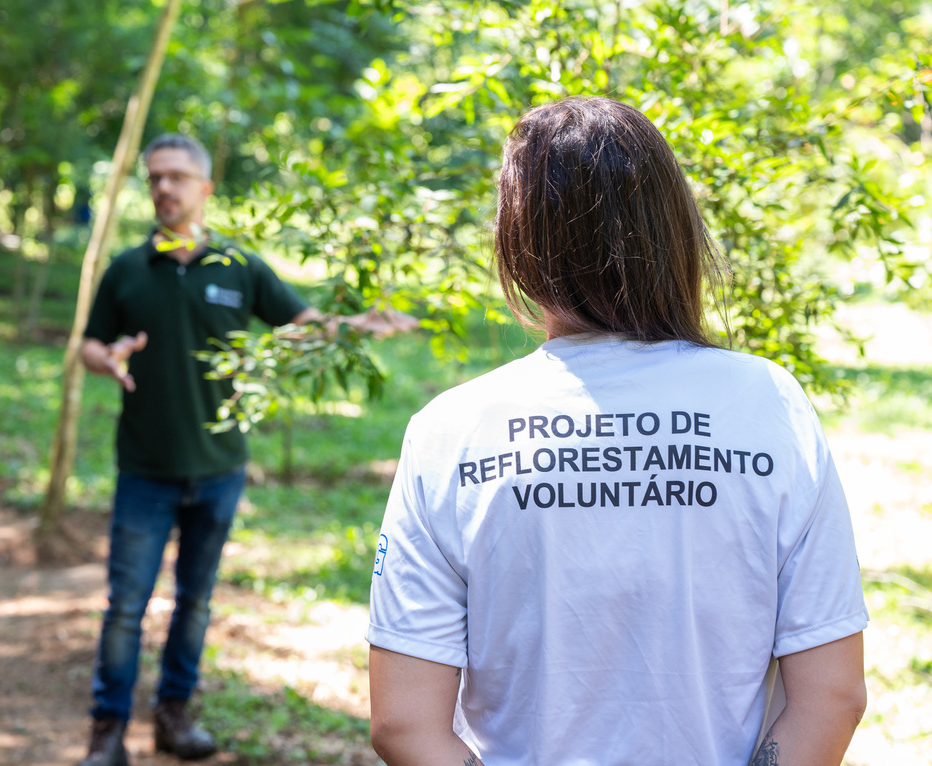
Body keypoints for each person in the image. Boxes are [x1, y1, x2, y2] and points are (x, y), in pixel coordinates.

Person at [366, 96, 868, 766]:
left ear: (517, 246)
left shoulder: (451, 429)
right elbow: (832, 698)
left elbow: (404, 723)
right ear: (676, 230)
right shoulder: (769, 405)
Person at [78, 133, 414, 766]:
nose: (164, 187)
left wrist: (359, 325)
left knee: (195, 603)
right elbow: (89, 344)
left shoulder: (238, 265)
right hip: (145, 470)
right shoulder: (127, 268)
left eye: (177, 176)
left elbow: (303, 324)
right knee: (125, 608)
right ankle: (108, 732)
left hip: (219, 470)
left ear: (205, 188)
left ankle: (174, 717)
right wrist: (107, 358)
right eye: (155, 177)